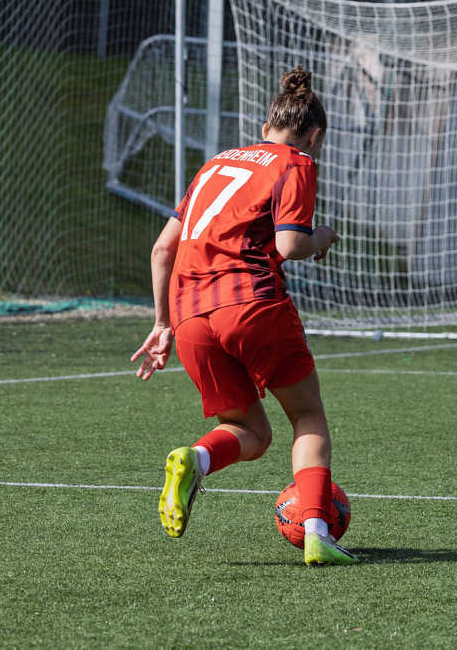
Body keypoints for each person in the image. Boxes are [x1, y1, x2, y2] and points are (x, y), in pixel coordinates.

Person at [131, 66, 359, 565]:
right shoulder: (296, 161)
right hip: (250, 301)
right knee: (307, 415)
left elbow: (161, 251)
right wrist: (321, 238)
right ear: (316, 134)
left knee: (252, 432)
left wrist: (162, 325)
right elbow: (290, 243)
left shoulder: (213, 166)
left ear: (264, 127)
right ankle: (318, 532)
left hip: (190, 316)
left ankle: (197, 458)